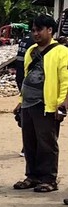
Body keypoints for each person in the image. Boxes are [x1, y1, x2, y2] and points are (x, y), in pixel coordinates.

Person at [12, 15, 68, 195]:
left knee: (47, 143)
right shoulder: (31, 51)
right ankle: (32, 175)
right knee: (29, 142)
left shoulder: (61, 52)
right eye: (33, 30)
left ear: (50, 30)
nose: (35, 34)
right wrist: (21, 101)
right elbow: (27, 77)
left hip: (47, 104)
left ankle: (49, 178)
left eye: (39, 30)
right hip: (29, 103)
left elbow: (65, 80)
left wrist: (62, 104)